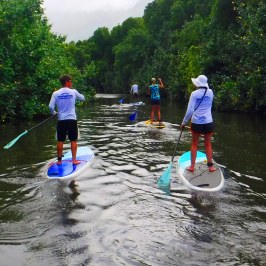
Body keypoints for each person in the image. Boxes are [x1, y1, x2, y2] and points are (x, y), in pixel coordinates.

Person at [181, 74, 216, 172]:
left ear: (197, 83)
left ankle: (192, 167)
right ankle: (211, 167)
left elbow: (190, 110)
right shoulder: (210, 92)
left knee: (194, 143)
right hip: (208, 121)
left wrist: (184, 122)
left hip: (196, 122)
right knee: (208, 144)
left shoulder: (194, 94)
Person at [49, 75, 85, 165]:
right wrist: (80, 97)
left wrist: (54, 113)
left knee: (60, 141)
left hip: (61, 120)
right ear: (66, 82)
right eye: (70, 81)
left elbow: (50, 106)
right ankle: (74, 160)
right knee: (73, 140)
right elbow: (83, 98)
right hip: (72, 120)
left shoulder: (55, 93)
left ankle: (59, 161)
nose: (71, 83)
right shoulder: (73, 92)